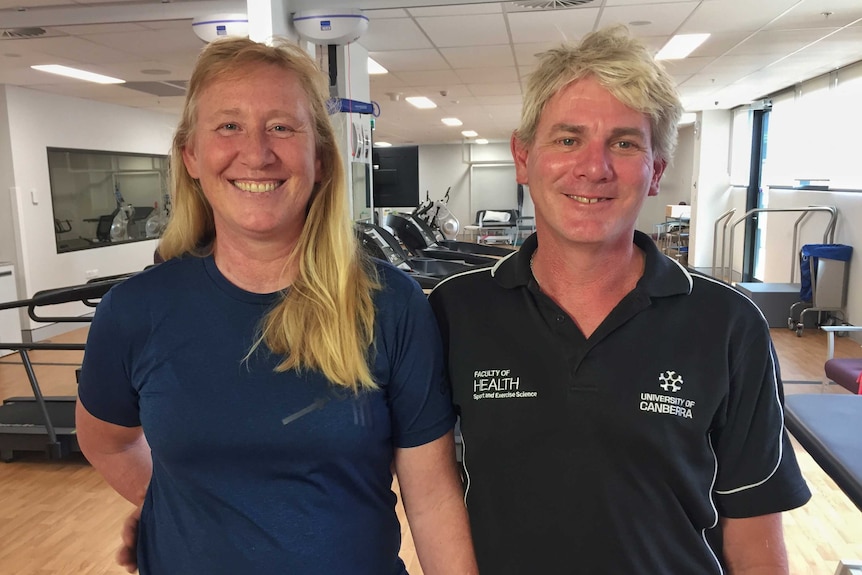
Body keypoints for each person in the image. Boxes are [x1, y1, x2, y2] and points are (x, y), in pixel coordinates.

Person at [75, 37, 477, 575]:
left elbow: (431, 501)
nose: (257, 152)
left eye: (282, 127)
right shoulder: (135, 312)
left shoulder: (390, 306)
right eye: (228, 126)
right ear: (191, 155)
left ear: (320, 158)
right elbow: (109, 443)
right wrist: (178, 508)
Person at [428, 26, 811, 574]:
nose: (594, 166)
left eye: (625, 143)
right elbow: (429, 496)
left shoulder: (727, 325)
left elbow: (754, 531)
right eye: (567, 139)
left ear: (655, 171)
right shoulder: (453, 313)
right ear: (523, 156)